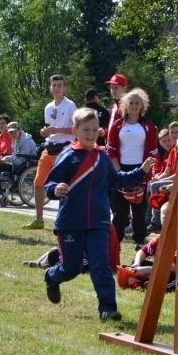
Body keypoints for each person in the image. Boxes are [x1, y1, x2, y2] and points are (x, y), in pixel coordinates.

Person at [43, 108, 155, 321]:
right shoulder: (68, 155)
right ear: (75, 130)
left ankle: (107, 308)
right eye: (86, 129)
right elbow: (50, 183)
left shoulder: (102, 157)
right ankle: (51, 277)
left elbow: (115, 180)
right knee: (71, 268)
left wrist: (140, 171)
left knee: (100, 264)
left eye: (95, 129)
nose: (91, 133)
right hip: (71, 222)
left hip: (99, 222)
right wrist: (55, 189)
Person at [106, 88, 158, 246]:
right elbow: (111, 148)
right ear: (125, 105)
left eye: (137, 103)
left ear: (143, 105)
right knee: (119, 211)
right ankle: (116, 243)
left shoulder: (148, 126)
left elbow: (152, 150)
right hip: (120, 170)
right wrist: (118, 171)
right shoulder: (117, 125)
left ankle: (140, 241)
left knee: (139, 211)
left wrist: (145, 170)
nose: (134, 106)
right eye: (131, 102)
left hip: (140, 170)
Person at [23, 74, 77, 230]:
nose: (57, 88)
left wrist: (57, 130)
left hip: (65, 148)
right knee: (38, 183)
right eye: (54, 85)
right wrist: (44, 131)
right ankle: (39, 220)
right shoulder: (48, 107)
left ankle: (65, 219)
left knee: (64, 185)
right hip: (49, 147)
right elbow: (48, 128)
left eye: (60, 85)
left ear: (65, 88)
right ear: (50, 87)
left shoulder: (70, 105)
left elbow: (77, 128)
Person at [0, 122, 37, 204]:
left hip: (24, 165)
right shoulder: (16, 140)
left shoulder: (27, 142)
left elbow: (21, 159)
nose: (12, 134)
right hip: (18, 162)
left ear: (20, 129)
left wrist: (7, 159)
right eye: (10, 132)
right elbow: (15, 155)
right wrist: (5, 159)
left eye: (14, 131)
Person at [104, 73, 128, 142]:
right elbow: (113, 126)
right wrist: (105, 133)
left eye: (116, 88)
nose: (112, 91)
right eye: (111, 88)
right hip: (111, 144)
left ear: (124, 88)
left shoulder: (127, 106)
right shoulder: (115, 104)